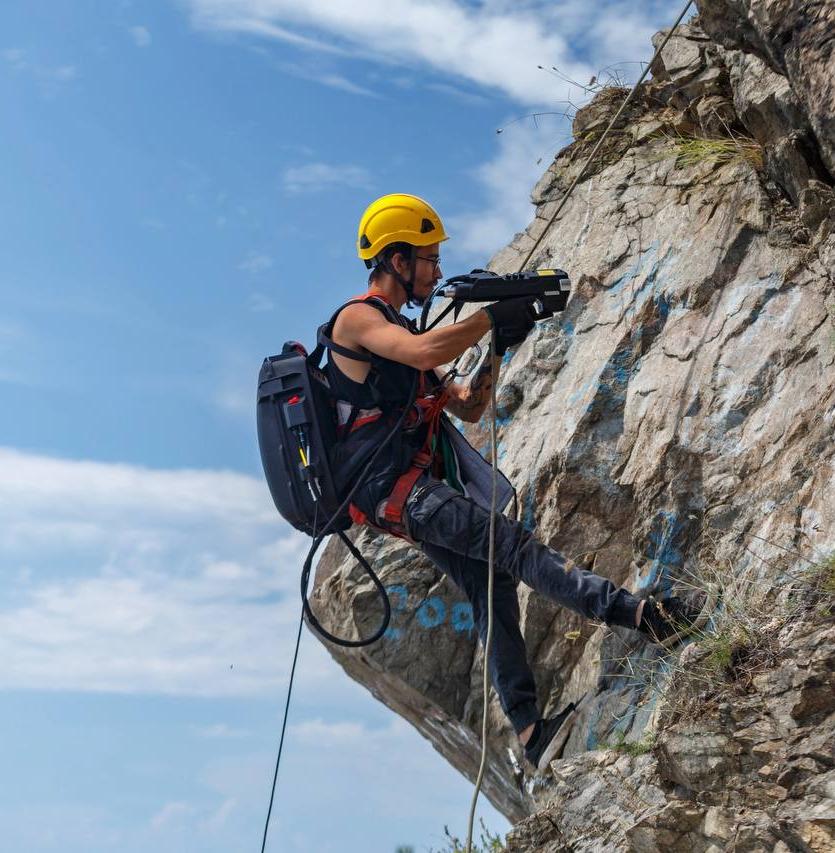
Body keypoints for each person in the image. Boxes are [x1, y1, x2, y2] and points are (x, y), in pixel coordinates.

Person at [323, 193, 702, 771]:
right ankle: (643, 617)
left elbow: (469, 408)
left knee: (491, 586)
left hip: (410, 495)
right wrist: (489, 316)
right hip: (400, 495)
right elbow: (426, 347)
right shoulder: (359, 320)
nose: (437, 270)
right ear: (396, 259)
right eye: (428, 258)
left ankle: (530, 735)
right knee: (513, 546)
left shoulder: (402, 335)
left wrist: (500, 343)